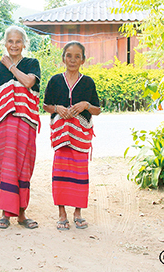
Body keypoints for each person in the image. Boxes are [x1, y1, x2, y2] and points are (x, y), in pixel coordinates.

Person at [43, 41, 101, 230]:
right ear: (63, 58)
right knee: (60, 174)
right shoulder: (55, 81)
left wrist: (85, 105)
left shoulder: (88, 83)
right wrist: (57, 108)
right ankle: (61, 213)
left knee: (79, 175)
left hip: (80, 138)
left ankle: (77, 212)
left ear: (83, 60)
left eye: (77, 56)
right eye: (69, 55)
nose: (73, 60)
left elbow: (97, 110)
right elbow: (45, 106)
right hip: (61, 137)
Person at [0, 25, 41, 229]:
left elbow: (29, 82)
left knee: (24, 167)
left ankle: (21, 214)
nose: (13, 45)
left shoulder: (31, 63)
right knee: (5, 167)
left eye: (18, 41)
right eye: (10, 41)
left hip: (26, 123)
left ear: (24, 43)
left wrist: (10, 66)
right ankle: (5, 213)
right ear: (5, 43)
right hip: (2, 125)